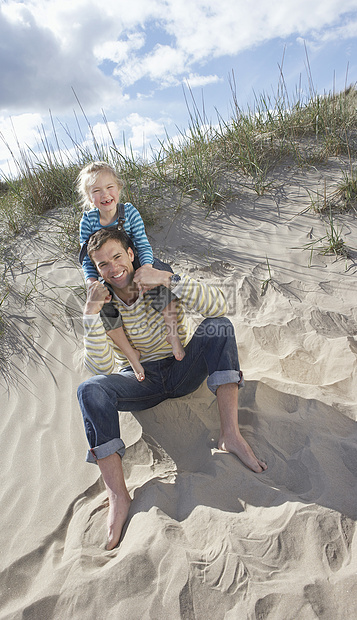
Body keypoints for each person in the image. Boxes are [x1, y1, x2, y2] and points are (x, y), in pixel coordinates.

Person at [77, 227, 267, 551]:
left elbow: (219, 305)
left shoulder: (155, 275)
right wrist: (90, 314)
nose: (113, 268)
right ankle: (118, 495)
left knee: (219, 326)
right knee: (89, 390)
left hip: (182, 370)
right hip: (141, 383)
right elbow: (99, 368)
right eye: (103, 264)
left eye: (117, 257)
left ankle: (230, 434)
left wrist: (169, 279)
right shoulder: (103, 303)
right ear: (96, 271)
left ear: (130, 254)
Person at [77, 161, 185, 381]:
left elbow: (143, 244)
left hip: (137, 261)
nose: (105, 195)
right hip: (108, 272)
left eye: (109, 188)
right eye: (97, 191)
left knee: (159, 277)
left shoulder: (130, 212)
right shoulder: (87, 221)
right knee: (104, 305)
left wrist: (146, 268)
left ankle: (172, 335)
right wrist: (91, 281)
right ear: (90, 198)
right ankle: (132, 357)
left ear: (118, 188)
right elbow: (86, 257)